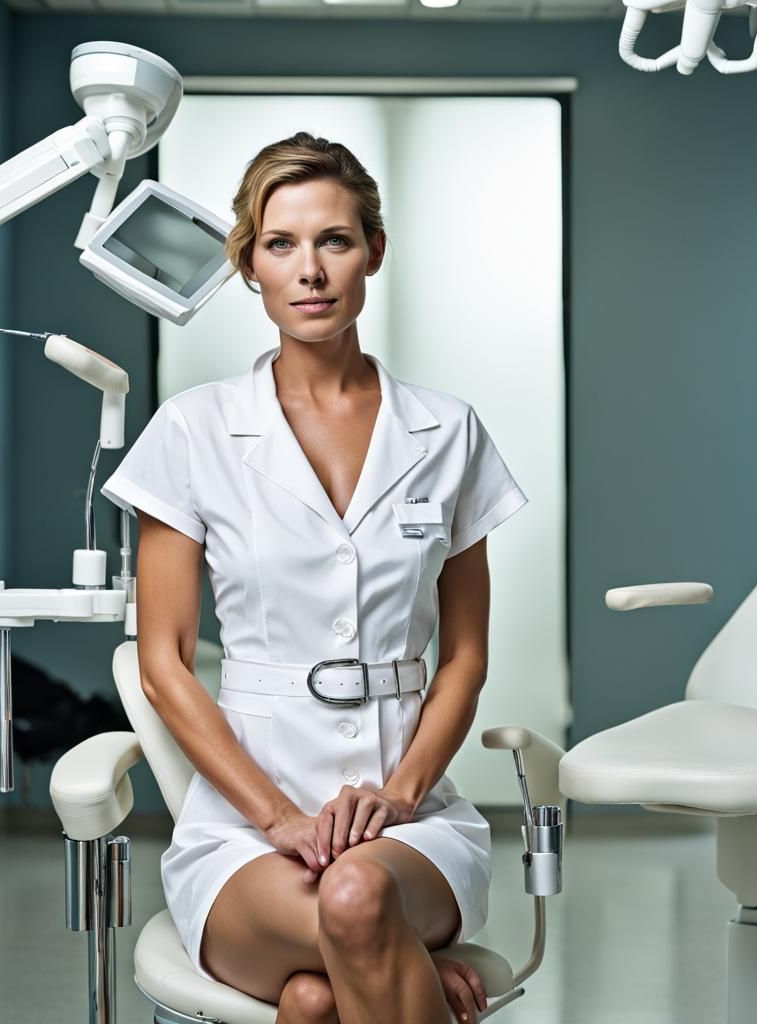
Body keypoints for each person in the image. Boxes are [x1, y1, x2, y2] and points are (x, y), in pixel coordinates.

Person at [101, 131, 528, 1024]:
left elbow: (465, 659)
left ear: (374, 250)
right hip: (242, 838)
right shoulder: (193, 431)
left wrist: (399, 793)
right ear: (249, 264)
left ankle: (362, 964)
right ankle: (394, 961)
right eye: (280, 244)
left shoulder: (447, 432)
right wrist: (281, 821)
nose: (311, 271)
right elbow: (165, 663)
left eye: (334, 240)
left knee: (334, 953)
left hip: (410, 823)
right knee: (350, 922)